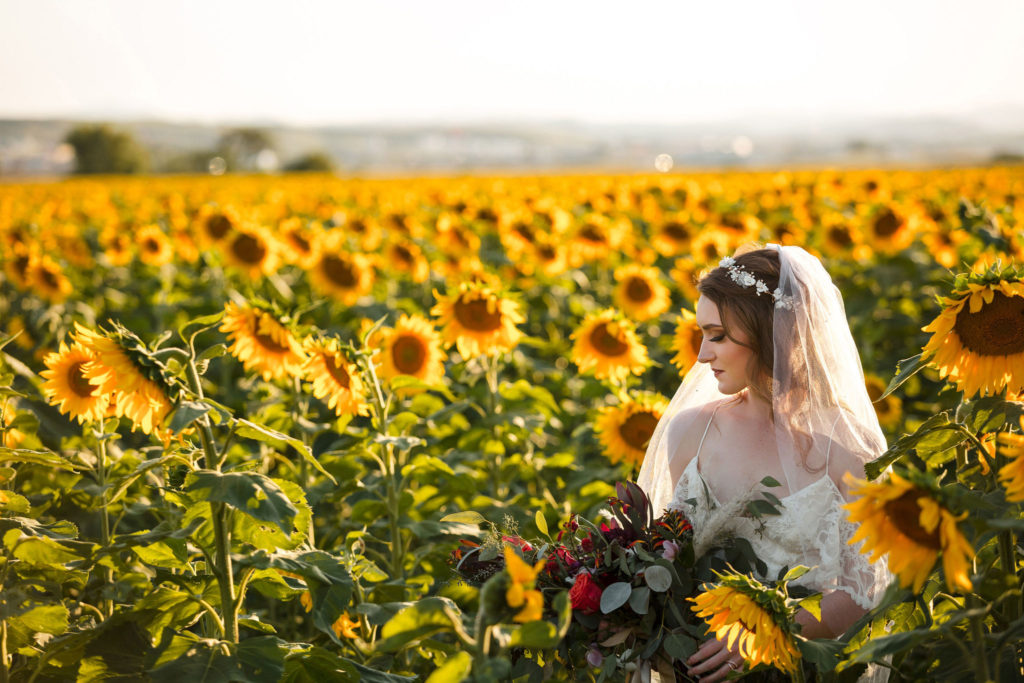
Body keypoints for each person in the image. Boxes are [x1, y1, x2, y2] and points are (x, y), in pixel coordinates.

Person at [637, 244, 891, 683]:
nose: (701, 355)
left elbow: (866, 590)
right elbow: (670, 557)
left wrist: (766, 632)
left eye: (716, 336)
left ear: (770, 332)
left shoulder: (849, 449)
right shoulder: (689, 432)